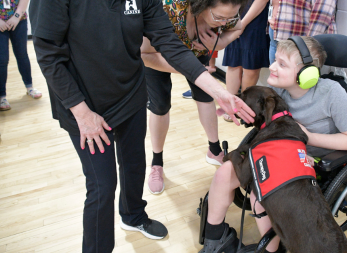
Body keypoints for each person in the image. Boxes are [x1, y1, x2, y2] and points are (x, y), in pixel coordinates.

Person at [28, 0, 255, 251]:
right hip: (85, 107)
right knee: (102, 187)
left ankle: (133, 216)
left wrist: (219, 92)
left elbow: (170, 43)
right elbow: (48, 55)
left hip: (129, 93)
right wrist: (81, 113)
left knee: (134, 162)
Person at [201, 37, 347, 252]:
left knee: (259, 196)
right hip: (278, 157)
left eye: (281, 64)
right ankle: (215, 238)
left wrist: (309, 137)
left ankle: (273, 249)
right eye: (275, 60)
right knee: (224, 174)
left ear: (307, 74)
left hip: (318, 164)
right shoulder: (277, 93)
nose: (272, 67)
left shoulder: (332, 93)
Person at [140, 0, 248, 194]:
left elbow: (238, 27)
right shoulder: (169, 9)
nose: (224, 23)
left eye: (229, 18)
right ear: (202, 5)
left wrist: (221, 42)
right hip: (158, 56)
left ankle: (214, 150)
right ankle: (157, 163)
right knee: (160, 106)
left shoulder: (226, 15)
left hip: (197, 55)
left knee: (206, 98)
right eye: (219, 17)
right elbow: (144, 54)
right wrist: (189, 71)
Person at [221, 0, 270, 122]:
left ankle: (244, 106)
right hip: (233, 13)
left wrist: (242, 24)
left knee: (251, 68)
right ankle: (230, 104)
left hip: (255, 19)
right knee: (234, 62)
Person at [0, 0, 42, 111]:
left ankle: (30, 87)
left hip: (19, 20)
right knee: (2, 60)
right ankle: (2, 97)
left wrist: (17, 17)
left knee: (22, 54)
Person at [268, 0, 337, 65]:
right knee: (276, 74)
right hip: (277, 32)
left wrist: (309, 47)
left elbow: (322, 13)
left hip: (301, 41)